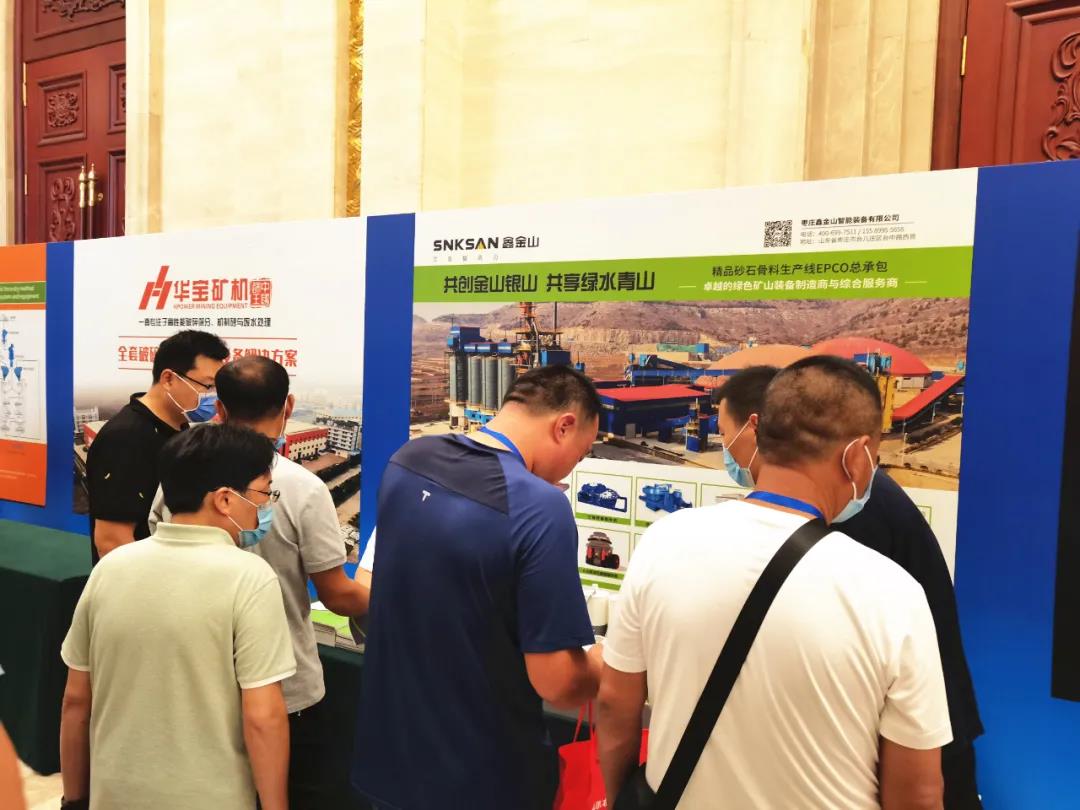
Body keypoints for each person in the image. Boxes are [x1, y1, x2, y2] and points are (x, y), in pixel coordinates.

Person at [599, 356, 952, 809]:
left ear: (759, 435)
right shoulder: (892, 593)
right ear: (857, 456)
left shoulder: (663, 541)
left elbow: (615, 705)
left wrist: (618, 798)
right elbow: (919, 793)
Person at [716, 363, 984, 807]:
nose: (724, 447)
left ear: (760, 427)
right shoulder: (847, 499)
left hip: (922, 734)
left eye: (725, 432)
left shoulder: (854, 508)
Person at [353, 365, 605, 810]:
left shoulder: (408, 460)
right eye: (581, 454)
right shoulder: (539, 507)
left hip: (389, 759)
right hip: (479, 777)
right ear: (564, 426)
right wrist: (612, 658)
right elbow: (559, 684)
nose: (573, 466)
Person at [148, 355, 371, 809]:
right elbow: (337, 595)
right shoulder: (304, 488)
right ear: (288, 405)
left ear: (220, 409)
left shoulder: (182, 476)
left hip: (197, 683)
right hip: (286, 689)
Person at [60, 425, 295, 810]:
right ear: (225, 499)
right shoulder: (250, 578)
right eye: (264, 493)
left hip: (115, 794)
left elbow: (75, 701)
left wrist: (73, 800)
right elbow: (263, 718)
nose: (266, 506)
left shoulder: (110, 569)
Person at [85, 329, 229, 565]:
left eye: (216, 389)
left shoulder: (179, 428)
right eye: (207, 386)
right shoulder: (126, 438)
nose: (212, 397)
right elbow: (111, 541)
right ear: (169, 379)